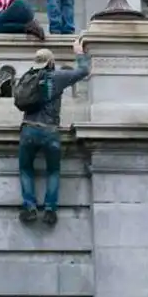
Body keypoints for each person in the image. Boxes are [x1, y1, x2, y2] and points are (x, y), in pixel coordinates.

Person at [16, 38, 89, 226]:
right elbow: (83, 71)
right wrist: (79, 53)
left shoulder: (26, 77)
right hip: (50, 131)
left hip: (29, 128)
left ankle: (30, 206)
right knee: (53, 170)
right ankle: (50, 209)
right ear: (51, 62)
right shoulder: (57, 77)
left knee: (26, 169)